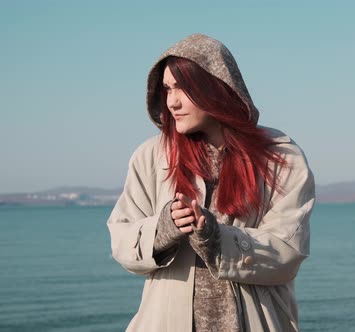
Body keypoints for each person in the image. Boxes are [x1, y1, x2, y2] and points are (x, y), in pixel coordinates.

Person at [106, 34, 315, 332]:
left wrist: (216, 239)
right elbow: (122, 241)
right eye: (167, 89)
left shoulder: (279, 156)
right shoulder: (151, 156)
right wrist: (164, 228)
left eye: (182, 89)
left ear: (216, 89)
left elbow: (287, 253)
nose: (172, 101)